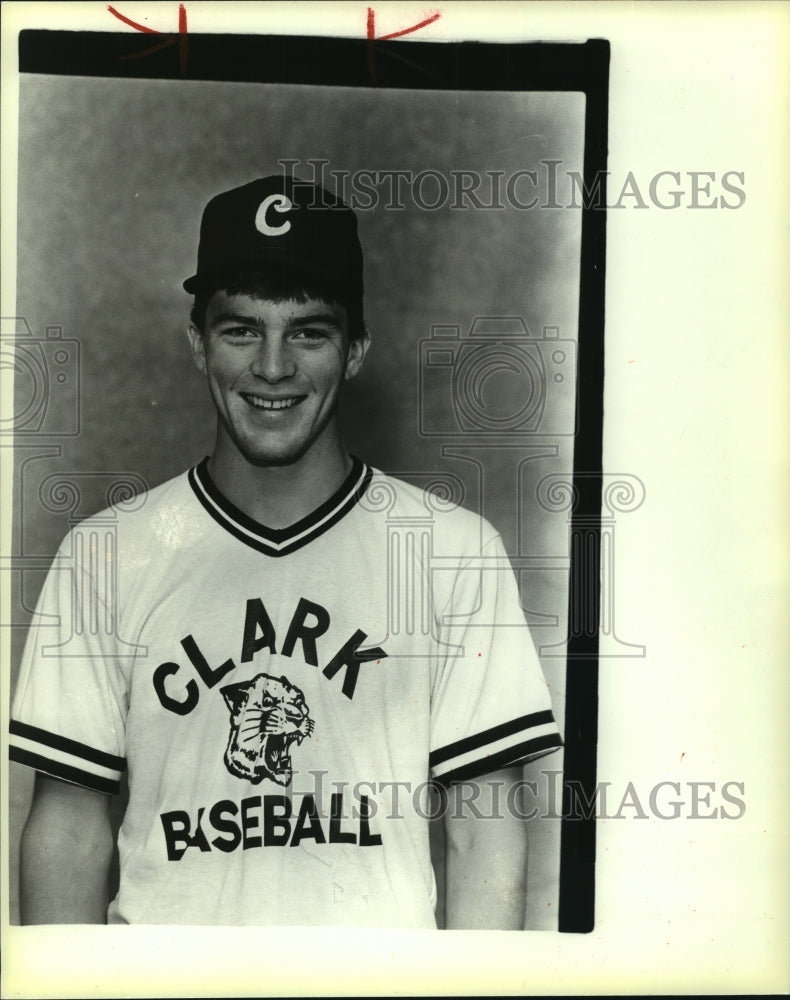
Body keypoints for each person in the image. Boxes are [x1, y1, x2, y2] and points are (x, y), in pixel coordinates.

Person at [10, 174, 562, 928]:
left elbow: (483, 831)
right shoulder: (104, 554)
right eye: (242, 328)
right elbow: (70, 832)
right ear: (198, 342)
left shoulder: (449, 552)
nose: (273, 367)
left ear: (357, 348)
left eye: (309, 331)